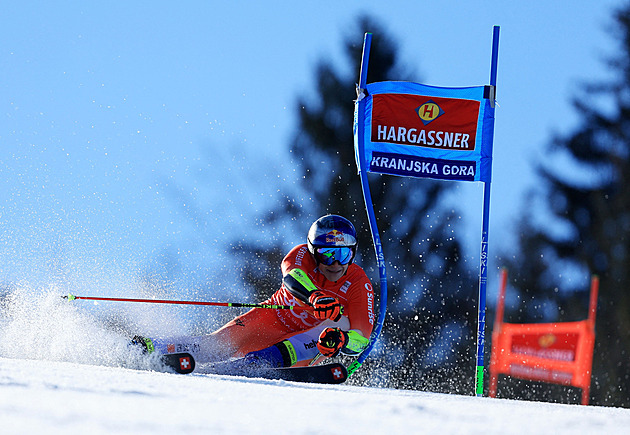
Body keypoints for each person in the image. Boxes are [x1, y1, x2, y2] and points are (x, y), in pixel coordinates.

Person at [133, 214, 375, 371]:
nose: (335, 264)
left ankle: (252, 365)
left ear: (353, 253)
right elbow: (293, 278)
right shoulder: (300, 255)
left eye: (343, 254)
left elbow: (361, 339)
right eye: (327, 254)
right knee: (217, 346)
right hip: (272, 318)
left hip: (305, 343)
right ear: (313, 251)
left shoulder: (358, 284)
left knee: (342, 322)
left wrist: (342, 341)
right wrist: (314, 296)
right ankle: (150, 348)